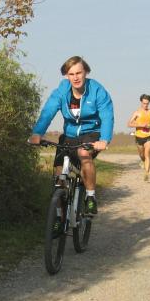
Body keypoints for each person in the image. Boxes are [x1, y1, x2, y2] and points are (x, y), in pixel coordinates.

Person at [28, 56, 114, 215]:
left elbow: (107, 115)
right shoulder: (62, 91)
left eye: (79, 73)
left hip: (91, 133)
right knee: (59, 173)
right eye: (71, 74)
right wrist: (37, 133)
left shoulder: (97, 91)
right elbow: (48, 112)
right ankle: (59, 216)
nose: (75, 77)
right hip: (69, 135)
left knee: (83, 153)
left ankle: (90, 197)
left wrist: (104, 139)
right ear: (66, 76)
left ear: (86, 72)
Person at [127, 93, 150, 182]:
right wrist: (142, 125)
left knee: (147, 154)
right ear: (141, 102)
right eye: (144, 103)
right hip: (139, 137)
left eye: (147, 103)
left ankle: (146, 173)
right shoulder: (137, 112)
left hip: (149, 136)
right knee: (142, 156)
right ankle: (143, 162)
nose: (145, 105)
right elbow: (129, 124)